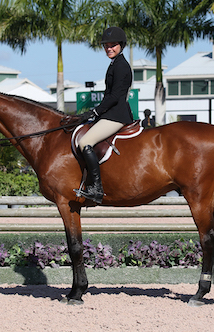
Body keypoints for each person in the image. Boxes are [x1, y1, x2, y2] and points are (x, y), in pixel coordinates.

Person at [76, 27, 134, 204]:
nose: (109, 48)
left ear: (121, 45)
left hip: (116, 115)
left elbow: (115, 97)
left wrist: (95, 111)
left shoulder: (121, 66)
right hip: (111, 113)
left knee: (84, 142)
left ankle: (96, 188)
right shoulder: (115, 64)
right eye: (106, 46)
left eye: (113, 45)